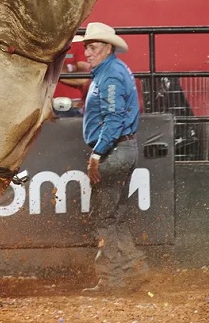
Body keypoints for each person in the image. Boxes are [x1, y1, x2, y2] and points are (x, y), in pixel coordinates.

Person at [73, 22, 149, 294]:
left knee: (104, 219)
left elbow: (114, 118)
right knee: (113, 217)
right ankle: (134, 268)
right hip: (122, 149)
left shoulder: (110, 76)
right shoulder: (110, 72)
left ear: (106, 48)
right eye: (86, 48)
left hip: (114, 151)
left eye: (92, 47)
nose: (87, 53)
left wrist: (97, 153)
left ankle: (111, 280)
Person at [52, 47, 91, 117]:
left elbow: (85, 76)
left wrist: (56, 73)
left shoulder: (78, 44)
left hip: (73, 104)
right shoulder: (47, 45)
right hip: (48, 104)